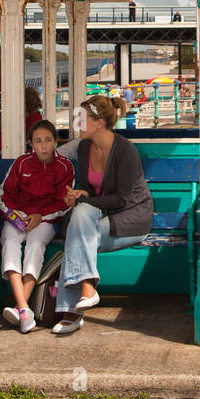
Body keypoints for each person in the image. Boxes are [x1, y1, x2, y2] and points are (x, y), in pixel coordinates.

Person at [49, 96, 153, 335]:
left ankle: (71, 311)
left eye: (82, 119)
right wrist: (79, 194)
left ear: (99, 123)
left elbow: (122, 200)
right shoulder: (85, 147)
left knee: (77, 236)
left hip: (131, 217)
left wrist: (82, 199)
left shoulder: (125, 151)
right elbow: (87, 186)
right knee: (81, 216)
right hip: (101, 214)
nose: (78, 124)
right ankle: (86, 290)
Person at [0, 120, 74, 332]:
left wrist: (41, 216)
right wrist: (19, 216)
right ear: (31, 144)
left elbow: (65, 203)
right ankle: (23, 308)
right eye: (38, 141)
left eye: (48, 140)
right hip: (18, 217)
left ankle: (20, 307)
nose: (43, 146)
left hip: (47, 220)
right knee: (10, 241)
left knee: (35, 243)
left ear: (55, 142)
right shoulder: (21, 163)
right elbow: (3, 196)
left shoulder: (65, 166)